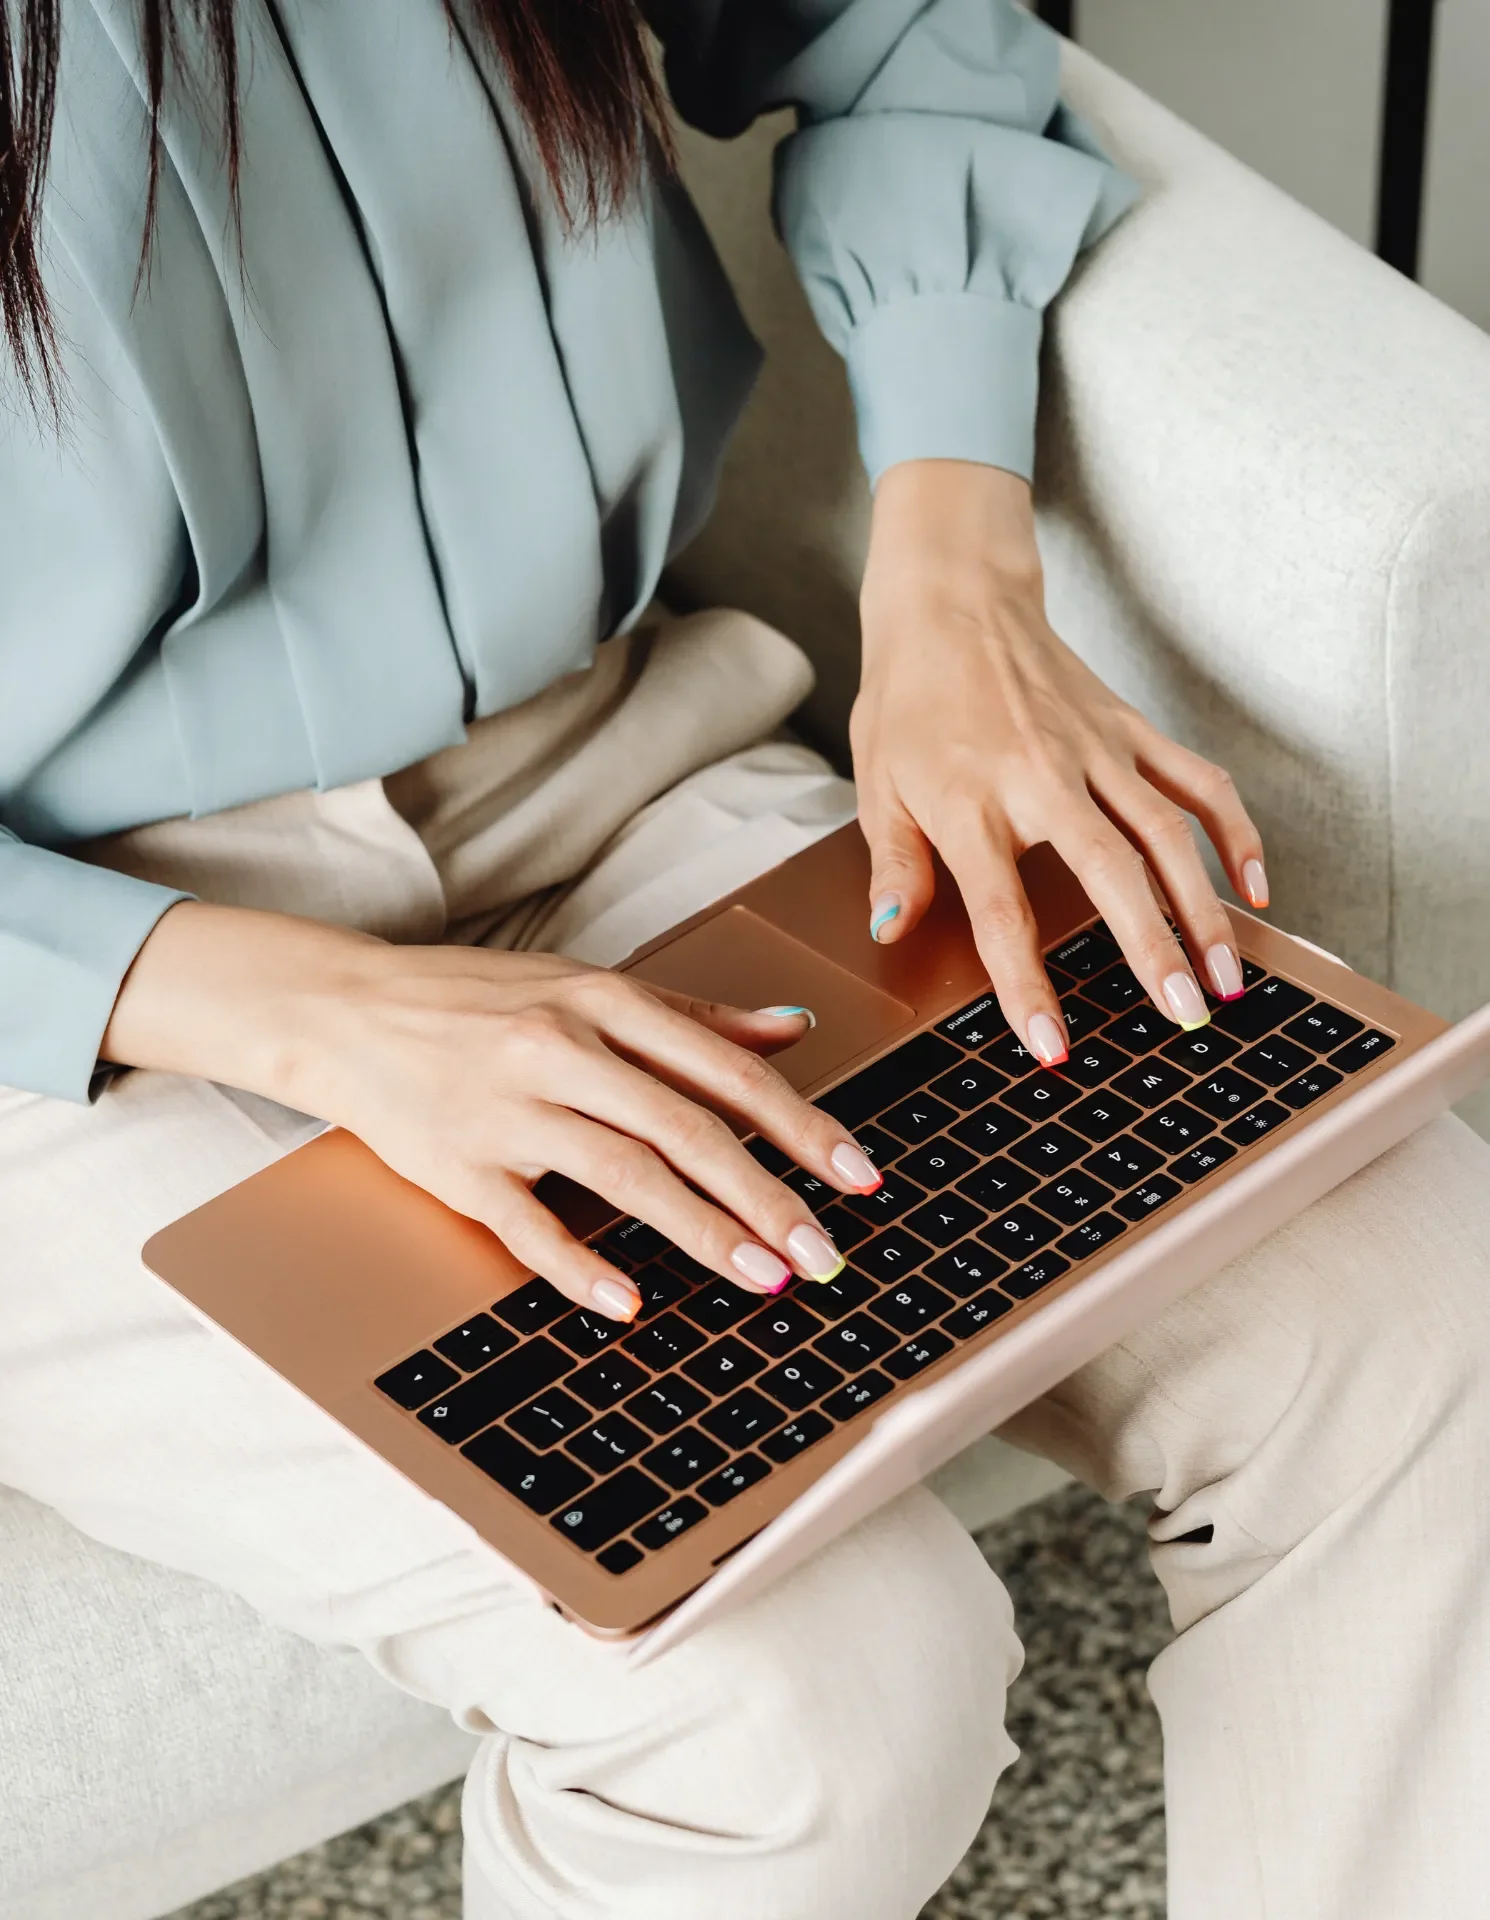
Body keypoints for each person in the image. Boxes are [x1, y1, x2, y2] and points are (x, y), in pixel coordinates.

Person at [2, 2, 1488, 1915]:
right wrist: (302, 1006)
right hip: (81, 1002)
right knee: (801, 1708)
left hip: (607, 765)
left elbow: (911, 30)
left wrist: (956, 572)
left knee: (1415, 1313)